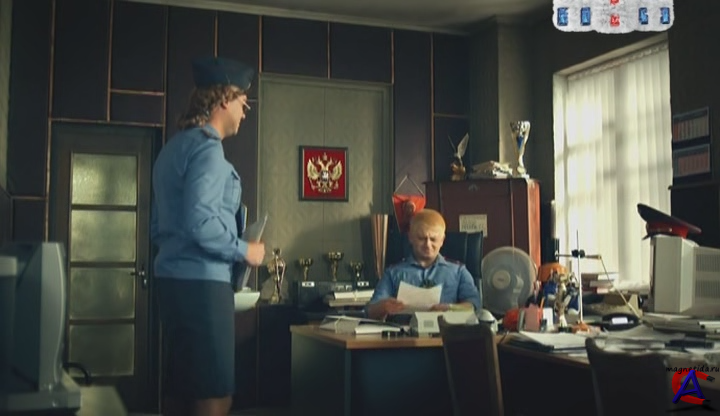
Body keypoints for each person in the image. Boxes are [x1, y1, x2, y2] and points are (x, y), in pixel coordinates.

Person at [150, 56, 266, 416]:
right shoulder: (208, 148)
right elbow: (200, 221)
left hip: (172, 281)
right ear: (224, 100)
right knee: (215, 396)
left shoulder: (173, 149)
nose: (244, 113)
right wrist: (245, 250)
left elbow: (158, 225)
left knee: (182, 390)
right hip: (202, 286)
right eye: (243, 103)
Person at [366, 208, 483, 320]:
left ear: (442, 240)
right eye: (421, 238)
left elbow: (474, 305)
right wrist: (384, 307)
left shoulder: (458, 272)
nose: (427, 244)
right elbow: (370, 311)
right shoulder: (393, 273)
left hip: (446, 330)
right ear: (410, 237)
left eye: (433, 239)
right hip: (404, 331)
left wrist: (450, 308)